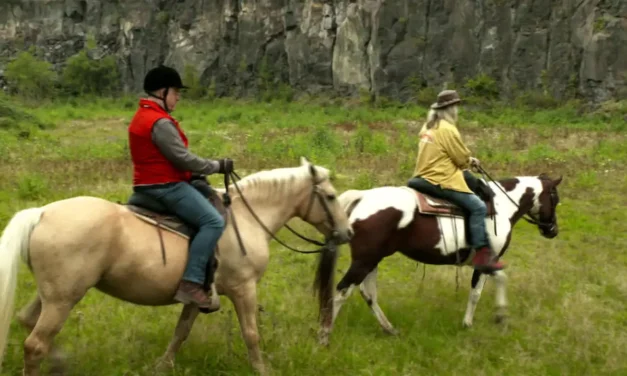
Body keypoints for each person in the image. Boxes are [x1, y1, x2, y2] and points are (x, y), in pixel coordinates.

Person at [128, 65, 232, 311]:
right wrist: (216, 166)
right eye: (175, 91)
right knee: (213, 221)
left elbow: (167, 157)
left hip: (148, 183)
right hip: (165, 186)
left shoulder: (143, 115)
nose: (179, 97)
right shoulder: (159, 121)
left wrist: (194, 172)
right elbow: (182, 158)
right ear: (162, 92)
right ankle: (192, 282)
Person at [407, 89, 504, 273]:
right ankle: (483, 254)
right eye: (456, 106)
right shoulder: (448, 129)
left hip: (421, 175)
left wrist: (467, 159)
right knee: (478, 206)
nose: (457, 109)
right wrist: (470, 161)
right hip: (440, 178)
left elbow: (444, 153)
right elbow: (460, 160)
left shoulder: (428, 126)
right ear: (449, 109)